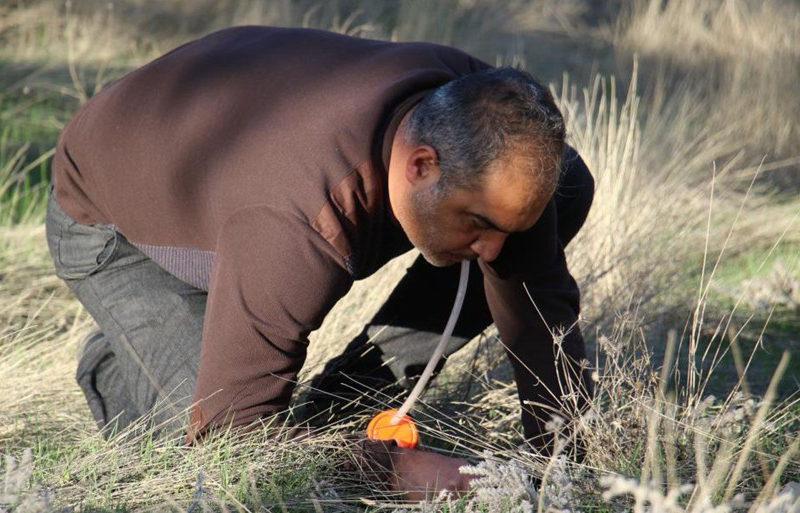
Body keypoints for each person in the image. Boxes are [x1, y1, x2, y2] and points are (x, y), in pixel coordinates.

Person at [45, 25, 594, 498]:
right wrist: (395, 470)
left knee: (565, 189)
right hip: (112, 221)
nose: (492, 251)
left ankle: (340, 409)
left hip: (235, 175)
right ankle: (117, 359)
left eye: (503, 230)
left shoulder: (487, 120)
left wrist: (562, 461)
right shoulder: (300, 220)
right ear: (420, 165)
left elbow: (536, 304)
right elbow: (231, 433)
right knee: (218, 468)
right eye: (477, 223)